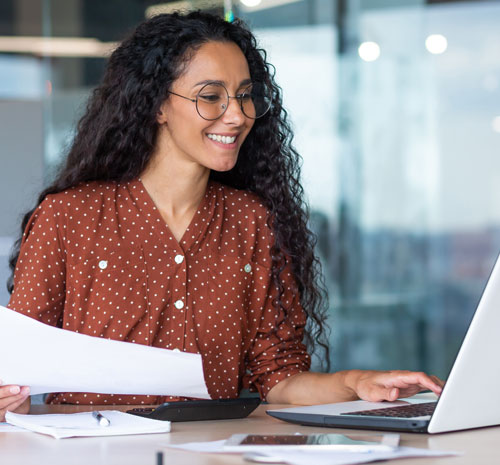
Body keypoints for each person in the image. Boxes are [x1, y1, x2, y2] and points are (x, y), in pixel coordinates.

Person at [0, 11, 442, 421]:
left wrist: (356, 383)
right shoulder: (68, 217)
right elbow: (19, 365)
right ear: (156, 105)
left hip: (214, 451)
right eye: (210, 97)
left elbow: (280, 379)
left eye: (245, 96)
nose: (236, 115)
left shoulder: (253, 221)